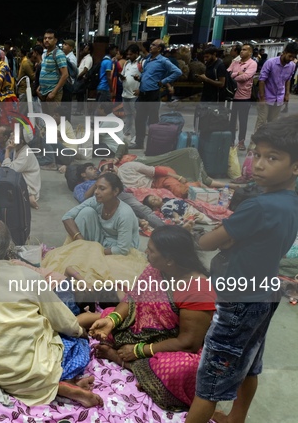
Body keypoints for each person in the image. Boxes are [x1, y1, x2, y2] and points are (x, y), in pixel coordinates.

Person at [185, 118, 298, 423]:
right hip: (265, 293)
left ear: (296, 166)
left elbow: (209, 242)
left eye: (272, 157)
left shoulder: (258, 207)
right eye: (257, 155)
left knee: (209, 379)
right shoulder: (290, 202)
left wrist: (203, 234)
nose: (259, 164)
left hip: (237, 299)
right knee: (249, 361)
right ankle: (237, 417)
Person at [0, 218, 103, 408]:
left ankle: (60, 386)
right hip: (41, 369)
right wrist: (80, 332)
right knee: (76, 342)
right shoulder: (29, 277)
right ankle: (60, 384)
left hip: (1, 372)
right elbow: (62, 320)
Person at [82, 225, 216, 410]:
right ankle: (134, 361)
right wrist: (112, 320)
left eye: (151, 250)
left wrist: (139, 350)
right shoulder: (157, 270)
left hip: (174, 345)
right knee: (106, 318)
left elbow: (188, 343)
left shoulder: (197, 291)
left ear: (169, 260)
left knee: (182, 369)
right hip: (142, 330)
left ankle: (122, 359)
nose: (146, 252)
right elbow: (133, 298)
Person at [62, 172, 139, 255]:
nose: (96, 192)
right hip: (102, 239)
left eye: (102, 189)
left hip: (119, 248)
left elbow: (122, 249)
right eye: (96, 188)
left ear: (115, 191)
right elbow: (67, 217)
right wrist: (81, 241)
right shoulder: (96, 201)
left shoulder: (124, 214)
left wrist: (93, 252)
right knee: (86, 212)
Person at [73, 162, 164, 230]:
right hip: (103, 200)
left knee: (144, 210)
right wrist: (99, 181)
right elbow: (83, 199)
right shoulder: (79, 186)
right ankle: (138, 222)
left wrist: (113, 177)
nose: (95, 170)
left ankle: (166, 230)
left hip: (120, 194)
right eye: (91, 169)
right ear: (83, 174)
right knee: (124, 215)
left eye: (94, 168)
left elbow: (122, 187)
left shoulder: (104, 176)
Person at [133, 39, 181, 149]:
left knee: (153, 121)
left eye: (154, 45)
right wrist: (140, 79)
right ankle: (139, 143)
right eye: (151, 44)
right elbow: (149, 76)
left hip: (153, 94)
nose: (151, 46)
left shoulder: (163, 61)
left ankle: (154, 144)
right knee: (139, 119)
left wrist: (163, 81)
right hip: (143, 94)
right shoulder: (148, 60)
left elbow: (177, 72)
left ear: (159, 48)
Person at [253, 42, 297, 133]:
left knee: (273, 123)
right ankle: (254, 145)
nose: (291, 59)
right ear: (284, 52)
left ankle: (267, 146)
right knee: (261, 122)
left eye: (294, 57)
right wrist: (261, 98)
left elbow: (288, 80)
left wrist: (287, 94)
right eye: (290, 56)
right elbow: (262, 80)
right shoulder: (270, 63)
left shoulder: (292, 65)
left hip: (279, 98)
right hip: (266, 97)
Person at [0, 123, 41, 209]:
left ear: (20, 141)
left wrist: (7, 150)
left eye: (14, 135)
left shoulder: (25, 154)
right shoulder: (18, 148)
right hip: (22, 180)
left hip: (29, 187)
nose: (11, 136)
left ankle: (29, 197)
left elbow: (8, 170)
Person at [228, 44, 258, 151]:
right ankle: (231, 140)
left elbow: (246, 77)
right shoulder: (235, 62)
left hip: (244, 97)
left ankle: (241, 141)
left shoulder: (252, 64)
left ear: (250, 52)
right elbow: (228, 74)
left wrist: (235, 75)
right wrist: (238, 73)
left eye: (245, 50)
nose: (242, 51)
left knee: (243, 120)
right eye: (241, 50)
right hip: (232, 96)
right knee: (232, 120)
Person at [37, 29, 69, 103]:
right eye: (45, 38)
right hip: (43, 93)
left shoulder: (58, 54)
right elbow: (46, 71)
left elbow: (65, 75)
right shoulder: (45, 54)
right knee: (45, 114)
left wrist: (54, 92)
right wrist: (39, 88)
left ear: (55, 40)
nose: (47, 40)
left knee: (53, 114)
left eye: (50, 38)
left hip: (52, 94)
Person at [120, 44, 141, 142]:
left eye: (131, 54)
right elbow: (124, 75)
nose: (128, 56)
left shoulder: (141, 63)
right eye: (127, 54)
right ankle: (126, 134)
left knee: (137, 116)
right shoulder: (127, 63)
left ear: (137, 53)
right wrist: (122, 78)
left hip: (135, 95)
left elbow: (144, 76)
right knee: (128, 115)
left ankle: (137, 136)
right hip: (125, 94)